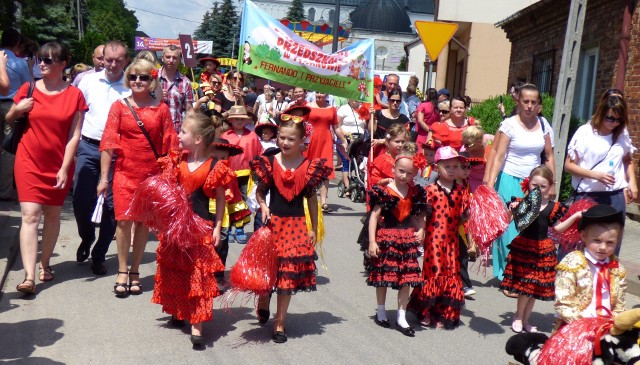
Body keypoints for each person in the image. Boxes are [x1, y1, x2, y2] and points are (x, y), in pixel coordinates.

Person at [142, 112, 229, 348]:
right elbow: (165, 192)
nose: (178, 135)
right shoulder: (176, 161)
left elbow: (221, 199)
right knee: (176, 268)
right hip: (174, 227)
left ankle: (197, 324)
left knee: (197, 273)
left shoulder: (215, 166)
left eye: (183, 131)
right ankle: (178, 310)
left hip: (200, 227)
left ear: (198, 139)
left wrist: (218, 227)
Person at [6, 42, 87, 294]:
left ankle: (45, 262)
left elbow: (75, 136)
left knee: (52, 216)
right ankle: (29, 277)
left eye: (48, 60)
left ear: (63, 64)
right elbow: (8, 118)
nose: (41, 63)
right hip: (28, 160)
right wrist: (17, 110)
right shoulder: (28, 88)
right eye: (40, 59)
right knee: (30, 216)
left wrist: (65, 168)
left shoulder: (75, 95)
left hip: (58, 164)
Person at [98, 58, 178, 297]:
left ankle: (135, 271)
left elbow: (170, 143)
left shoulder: (161, 109)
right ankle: (122, 270)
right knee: (123, 222)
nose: (138, 81)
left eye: (143, 77)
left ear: (151, 80)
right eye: (133, 77)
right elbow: (108, 143)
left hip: (151, 175)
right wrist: (104, 178)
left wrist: (169, 175)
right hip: (124, 173)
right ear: (128, 79)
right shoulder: (119, 106)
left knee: (143, 223)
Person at [251, 114, 332, 343]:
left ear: (301, 141)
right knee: (269, 271)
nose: (285, 143)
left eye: (291, 139)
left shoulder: (308, 167)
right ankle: (264, 297)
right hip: (273, 224)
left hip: (296, 228)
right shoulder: (269, 161)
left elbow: (312, 200)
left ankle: (280, 323)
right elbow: (260, 191)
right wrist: (263, 206)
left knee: (287, 277)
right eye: (282, 138)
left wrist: (313, 227)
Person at [484, 84, 555, 283]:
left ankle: (522, 272)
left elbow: (549, 156)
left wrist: (553, 184)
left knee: (528, 229)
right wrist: (490, 182)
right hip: (508, 179)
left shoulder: (543, 125)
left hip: (533, 184)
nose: (530, 106)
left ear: (539, 104)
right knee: (508, 230)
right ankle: (507, 276)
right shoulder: (510, 125)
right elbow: (499, 155)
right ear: (518, 102)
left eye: (534, 102)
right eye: (526, 101)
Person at [500, 165, 583, 333]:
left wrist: (575, 216)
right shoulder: (522, 203)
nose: (538, 189)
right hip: (524, 247)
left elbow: (558, 229)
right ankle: (518, 315)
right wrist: (510, 212)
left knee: (534, 287)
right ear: (528, 183)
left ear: (550, 186)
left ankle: (525, 319)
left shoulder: (553, 207)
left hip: (542, 249)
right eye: (534, 185)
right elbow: (506, 223)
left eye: (543, 186)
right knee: (525, 286)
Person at [73, 40, 131, 276]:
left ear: (126, 60)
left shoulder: (131, 84)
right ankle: (86, 238)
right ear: (101, 59)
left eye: (119, 60)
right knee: (80, 200)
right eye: (109, 60)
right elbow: (75, 114)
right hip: (88, 147)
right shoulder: (87, 81)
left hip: (119, 152)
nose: (113, 64)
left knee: (112, 208)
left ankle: (99, 254)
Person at [366, 147, 427, 337]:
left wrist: (422, 230)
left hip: (406, 239)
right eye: (401, 171)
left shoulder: (414, 192)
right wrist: (372, 242)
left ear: (415, 174)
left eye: (410, 173)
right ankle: (381, 311)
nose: (404, 175)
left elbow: (416, 217)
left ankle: (401, 316)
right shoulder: (385, 191)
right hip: (387, 237)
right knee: (384, 276)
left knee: (406, 278)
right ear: (393, 169)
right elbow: (374, 217)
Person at [564, 91, 637, 247]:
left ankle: (607, 272)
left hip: (615, 196)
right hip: (588, 195)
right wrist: (595, 175)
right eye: (610, 118)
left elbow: (627, 159)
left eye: (619, 120)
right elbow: (569, 165)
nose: (614, 123)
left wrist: (632, 182)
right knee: (581, 242)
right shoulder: (586, 132)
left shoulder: (621, 134)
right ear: (601, 113)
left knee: (610, 244)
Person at [408, 146, 469, 329]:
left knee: (450, 273)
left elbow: (461, 217)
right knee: (434, 273)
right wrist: (421, 231)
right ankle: (425, 311)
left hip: (452, 241)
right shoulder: (430, 190)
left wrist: (468, 216)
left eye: (454, 166)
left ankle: (444, 312)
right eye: (447, 166)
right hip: (434, 239)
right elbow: (424, 215)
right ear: (437, 167)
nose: (451, 170)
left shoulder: (461, 191)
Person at [555, 204, 627, 326]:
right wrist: (581, 324)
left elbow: (619, 303)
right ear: (584, 236)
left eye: (610, 242)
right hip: (577, 325)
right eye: (597, 240)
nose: (603, 247)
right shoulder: (572, 263)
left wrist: (617, 323)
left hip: (606, 327)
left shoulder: (617, 267)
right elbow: (563, 301)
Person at [220, 105, 263, 243]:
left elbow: (259, 154)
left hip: (246, 175)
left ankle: (240, 228)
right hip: (229, 174)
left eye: (241, 119)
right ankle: (228, 227)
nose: (239, 121)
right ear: (231, 120)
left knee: (244, 201)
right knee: (229, 200)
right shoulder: (225, 136)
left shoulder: (252, 136)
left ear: (246, 121)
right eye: (236, 119)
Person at [0, 28, 33, 200]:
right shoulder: (19, 63)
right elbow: (29, 86)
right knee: (8, 146)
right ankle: (4, 190)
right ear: (17, 43)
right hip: (10, 106)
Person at [306, 91, 344, 213]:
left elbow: (336, 127)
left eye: (322, 93)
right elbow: (302, 125)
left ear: (327, 94)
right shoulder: (308, 107)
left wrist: (343, 140)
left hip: (326, 141)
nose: (320, 95)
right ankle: (307, 198)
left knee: (324, 170)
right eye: (317, 92)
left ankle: (323, 202)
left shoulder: (331, 109)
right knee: (308, 169)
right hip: (310, 140)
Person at [159, 45, 193, 133]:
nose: (171, 60)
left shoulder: (185, 82)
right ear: (162, 58)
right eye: (168, 57)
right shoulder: (151, 78)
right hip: (155, 130)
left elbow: (189, 110)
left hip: (176, 132)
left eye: (174, 58)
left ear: (179, 60)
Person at [336, 99, 366, 197]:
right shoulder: (343, 109)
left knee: (357, 163)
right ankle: (347, 186)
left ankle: (358, 180)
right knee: (346, 161)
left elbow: (367, 126)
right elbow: (336, 125)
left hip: (360, 140)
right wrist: (344, 134)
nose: (355, 100)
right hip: (345, 139)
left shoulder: (363, 108)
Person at [370, 89, 410, 157]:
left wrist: (382, 141)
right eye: (392, 100)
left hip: (395, 152)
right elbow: (371, 131)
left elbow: (406, 139)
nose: (395, 103)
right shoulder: (378, 113)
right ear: (388, 100)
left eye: (398, 101)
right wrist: (372, 116)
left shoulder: (404, 119)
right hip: (378, 151)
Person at [415, 88, 439, 152]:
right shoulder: (437, 107)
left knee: (420, 157)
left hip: (422, 134)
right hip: (434, 135)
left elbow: (420, 121)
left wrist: (429, 131)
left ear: (427, 95)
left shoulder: (423, 105)